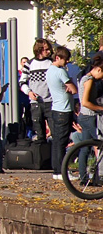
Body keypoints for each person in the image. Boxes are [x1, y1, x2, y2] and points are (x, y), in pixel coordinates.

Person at [47, 46, 78, 179]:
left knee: (56, 142)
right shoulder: (61, 72)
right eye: (65, 60)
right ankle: (61, 171)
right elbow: (74, 89)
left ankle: (56, 170)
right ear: (58, 58)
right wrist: (70, 86)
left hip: (55, 108)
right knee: (62, 141)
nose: (67, 63)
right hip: (63, 110)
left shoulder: (49, 71)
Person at [19, 39, 54, 142]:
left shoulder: (52, 63)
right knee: (39, 133)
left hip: (51, 102)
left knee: (55, 133)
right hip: (36, 103)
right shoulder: (30, 64)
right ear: (39, 50)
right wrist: (29, 92)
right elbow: (22, 82)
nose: (49, 52)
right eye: (46, 49)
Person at [76, 55, 103, 184]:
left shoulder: (84, 78)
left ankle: (83, 178)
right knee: (100, 144)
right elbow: (85, 102)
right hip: (89, 116)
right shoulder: (90, 80)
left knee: (85, 148)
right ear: (98, 69)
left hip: (82, 116)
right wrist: (100, 108)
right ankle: (100, 176)